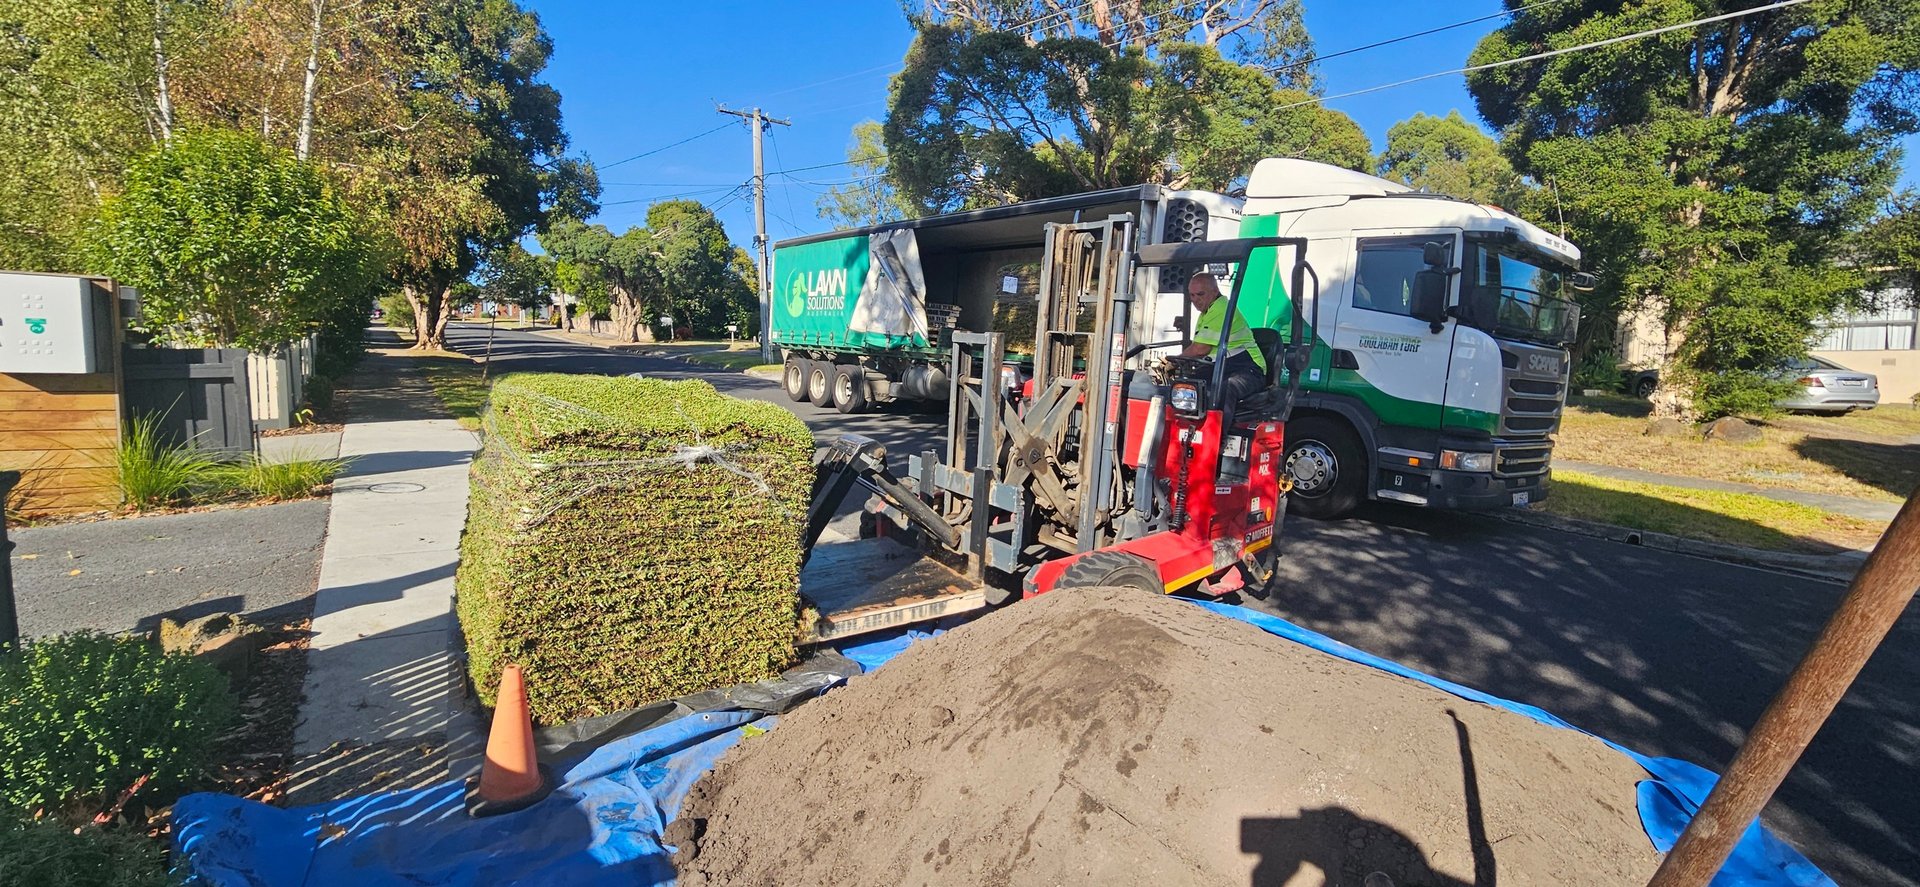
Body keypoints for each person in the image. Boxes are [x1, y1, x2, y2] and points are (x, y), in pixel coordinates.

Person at [1179, 272, 1268, 412]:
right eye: (1192, 295)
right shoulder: (1206, 312)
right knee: (1184, 386)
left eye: (1200, 294)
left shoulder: (1221, 309)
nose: (1195, 300)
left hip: (1249, 370)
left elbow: (1200, 349)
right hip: (1224, 367)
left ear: (1215, 291)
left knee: (1226, 389)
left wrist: (1175, 361)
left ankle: (1218, 433)